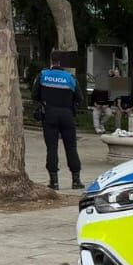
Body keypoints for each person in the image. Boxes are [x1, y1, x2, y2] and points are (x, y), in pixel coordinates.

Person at [33, 58, 82, 190]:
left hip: (49, 115)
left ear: (51, 62)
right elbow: (79, 98)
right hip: (67, 115)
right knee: (71, 147)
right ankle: (76, 180)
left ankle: (54, 181)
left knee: (52, 148)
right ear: (62, 64)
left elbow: (34, 95)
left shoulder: (43, 75)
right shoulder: (70, 78)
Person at [90, 70, 113, 134]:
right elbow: (92, 98)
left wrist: (107, 105)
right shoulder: (96, 89)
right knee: (95, 114)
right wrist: (95, 104)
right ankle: (97, 128)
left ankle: (101, 124)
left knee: (109, 113)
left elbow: (111, 98)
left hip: (105, 106)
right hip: (97, 105)